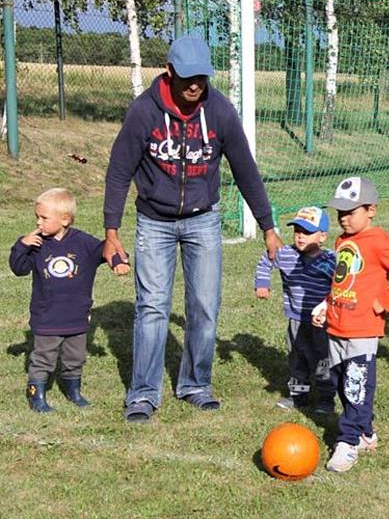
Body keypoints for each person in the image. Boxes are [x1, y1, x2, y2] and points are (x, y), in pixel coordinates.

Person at [103, 35, 280, 423]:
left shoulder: (219, 111)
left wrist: (268, 227)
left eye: (201, 77)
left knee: (205, 305)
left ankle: (196, 384)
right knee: (152, 308)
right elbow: (119, 172)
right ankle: (144, 393)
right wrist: (111, 231)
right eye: (187, 77)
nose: (195, 85)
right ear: (169, 71)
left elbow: (246, 171)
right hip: (154, 221)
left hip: (203, 220)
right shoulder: (143, 112)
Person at [312, 177, 389, 473]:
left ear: (371, 209)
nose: (343, 218)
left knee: (356, 385)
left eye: (350, 212)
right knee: (339, 383)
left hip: (362, 330)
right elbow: (341, 281)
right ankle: (366, 432)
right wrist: (325, 305)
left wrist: (384, 302)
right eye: (339, 212)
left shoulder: (378, 241)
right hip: (336, 326)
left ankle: (347, 443)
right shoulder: (342, 241)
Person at [9, 188, 129, 412]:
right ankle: (36, 393)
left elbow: (106, 248)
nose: (38, 223)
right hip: (47, 315)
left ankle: (73, 390)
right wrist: (22, 245)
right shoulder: (36, 245)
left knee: (75, 357)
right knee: (43, 357)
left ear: (65, 219)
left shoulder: (82, 242)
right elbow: (18, 269)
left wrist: (117, 260)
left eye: (44, 218)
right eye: (37, 217)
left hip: (77, 315)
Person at [254, 206, 337, 413]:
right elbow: (266, 261)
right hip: (296, 319)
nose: (300, 237)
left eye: (307, 233)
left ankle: (326, 398)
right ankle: (299, 396)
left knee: (323, 359)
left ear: (322, 236)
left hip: (321, 323)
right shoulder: (287, 254)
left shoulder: (330, 261)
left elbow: (340, 286)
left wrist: (329, 308)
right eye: (297, 231)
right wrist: (262, 283)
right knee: (297, 358)